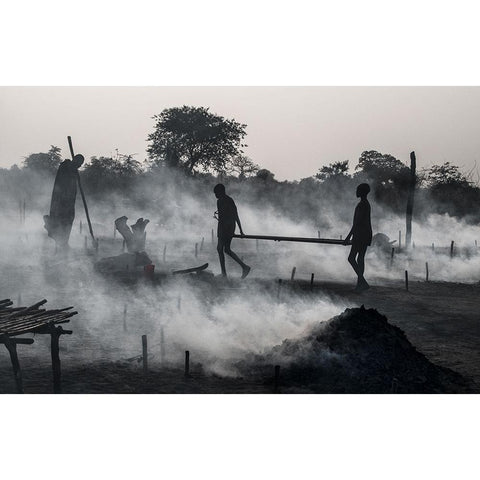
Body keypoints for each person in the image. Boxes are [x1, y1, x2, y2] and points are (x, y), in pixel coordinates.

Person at [44, 154, 85, 248]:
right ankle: (61, 241)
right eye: (79, 163)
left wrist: (75, 173)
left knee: (68, 219)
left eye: (81, 164)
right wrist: (73, 171)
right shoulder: (66, 166)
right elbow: (64, 180)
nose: (80, 166)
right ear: (75, 160)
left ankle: (64, 241)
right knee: (61, 219)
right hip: (61, 200)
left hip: (69, 201)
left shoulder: (73, 170)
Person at [213, 183, 251, 278]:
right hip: (222, 227)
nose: (215, 195)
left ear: (221, 191)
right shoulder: (219, 201)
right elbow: (222, 217)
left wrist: (241, 230)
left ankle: (226, 273)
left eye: (216, 193)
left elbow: (235, 215)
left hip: (228, 227)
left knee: (223, 249)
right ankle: (242, 267)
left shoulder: (229, 201)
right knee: (224, 249)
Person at [344, 183, 372, 292]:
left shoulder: (362, 205)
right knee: (360, 259)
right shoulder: (365, 203)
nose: (356, 191)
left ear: (361, 192)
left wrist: (347, 238)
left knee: (351, 258)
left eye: (357, 190)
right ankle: (360, 285)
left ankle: (362, 282)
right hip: (365, 233)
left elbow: (357, 223)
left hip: (360, 234)